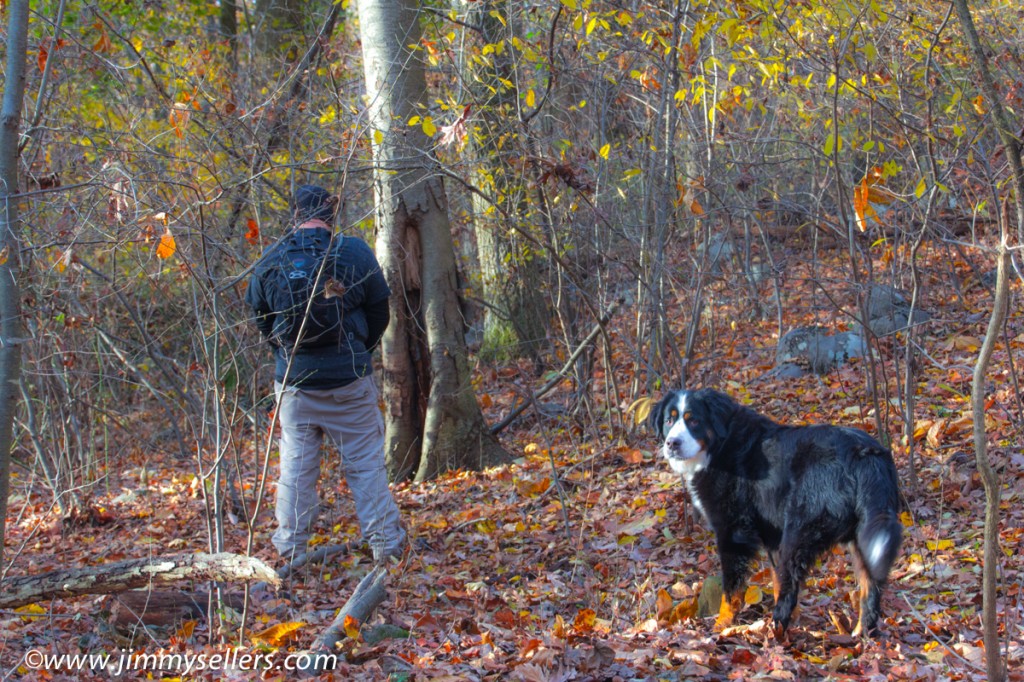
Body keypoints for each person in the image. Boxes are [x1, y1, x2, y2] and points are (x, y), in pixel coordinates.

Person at [245, 184, 406, 564]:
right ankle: (387, 547)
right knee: (366, 463)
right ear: (331, 215)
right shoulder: (353, 252)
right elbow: (380, 310)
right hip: (348, 380)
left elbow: (262, 320)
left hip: (295, 383)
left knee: (296, 470)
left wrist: (288, 356)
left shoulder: (271, 258)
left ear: (294, 215)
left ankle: (290, 552)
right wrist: (358, 352)